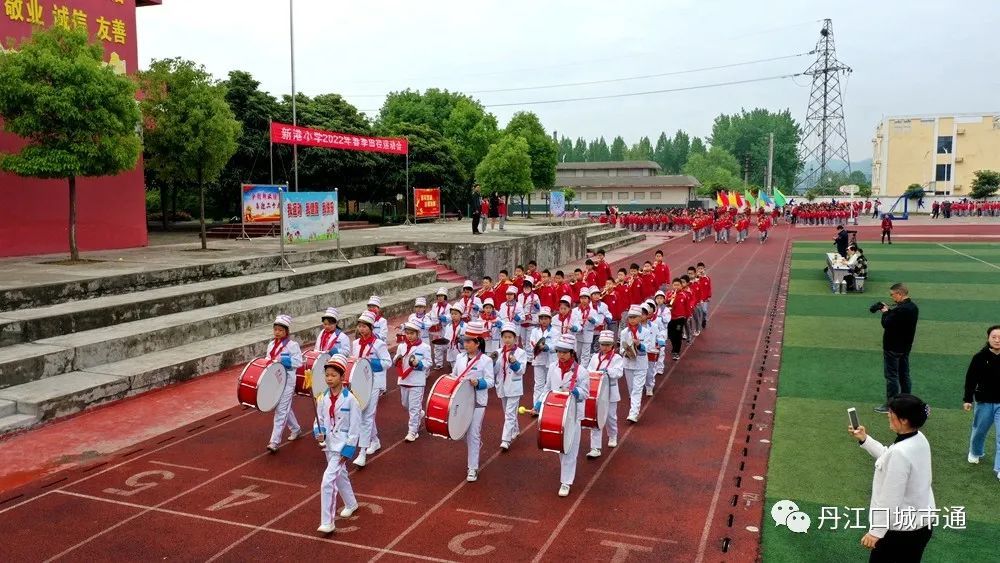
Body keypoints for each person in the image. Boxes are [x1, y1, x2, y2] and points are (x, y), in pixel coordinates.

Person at [848, 394, 935, 562]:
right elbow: (889, 457)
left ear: (903, 420)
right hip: (921, 524)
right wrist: (865, 440)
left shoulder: (900, 453)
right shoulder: (919, 439)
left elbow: (890, 497)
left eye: (891, 412)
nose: (888, 414)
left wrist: (876, 532)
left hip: (900, 533)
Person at [314, 354, 361, 534]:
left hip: (341, 446)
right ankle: (351, 503)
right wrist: (319, 433)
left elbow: (355, 428)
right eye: (327, 375)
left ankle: (328, 521)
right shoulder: (321, 398)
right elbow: (319, 421)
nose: (329, 379)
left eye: (333, 375)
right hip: (328, 444)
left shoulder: (351, 399)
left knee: (328, 481)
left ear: (342, 377)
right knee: (340, 476)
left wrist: (348, 449)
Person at [545, 333, 589, 497]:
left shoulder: (582, 372)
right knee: (560, 447)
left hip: (573, 414)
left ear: (572, 353)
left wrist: (573, 391)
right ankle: (566, 475)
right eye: (558, 351)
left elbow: (585, 393)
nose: (560, 355)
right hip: (555, 413)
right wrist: (539, 403)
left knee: (570, 448)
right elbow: (547, 387)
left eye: (564, 352)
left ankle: (566, 482)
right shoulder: (552, 367)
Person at [451, 321, 495, 482]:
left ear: (477, 343)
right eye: (465, 340)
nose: (465, 343)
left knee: (473, 433)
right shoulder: (460, 357)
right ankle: (474, 444)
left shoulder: (485, 361)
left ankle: (472, 468)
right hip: (460, 400)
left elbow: (491, 381)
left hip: (478, 402)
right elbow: (454, 375)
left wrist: (479, 383)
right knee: (460, 432)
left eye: (469, 341)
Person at [351, 311, 392, 467]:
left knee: (367, 416)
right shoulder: (355, 344)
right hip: (359, 383)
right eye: (359, 326)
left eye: (364, 326)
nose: (361, 329)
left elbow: (388, 363)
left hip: (374, 381)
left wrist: (370, 362)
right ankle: (375, 441)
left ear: (371, 327)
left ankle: (362, 452)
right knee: (362, 413)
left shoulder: (378, 344)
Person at [963, 325, 1000, 479]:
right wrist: (967, 399)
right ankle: (975, 451)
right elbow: (971, 378)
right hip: (984, 401)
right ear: (988, 338)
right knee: (979, 431)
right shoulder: (979, 357)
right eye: (994, 337)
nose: (997, 340)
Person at [876, 284, 919, 414]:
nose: (892, 297)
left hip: (893, 347)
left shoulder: (902, 310)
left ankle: (891, 405)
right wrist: (890, 311)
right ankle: (907, 401)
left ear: (899, 293)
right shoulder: (912, 307)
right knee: (904, 374)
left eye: (893, 294)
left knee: (892, 376)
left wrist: (885, 313)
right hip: (905, 347)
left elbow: (887, 323)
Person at [266, 314, 303, 453]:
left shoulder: (292, 345)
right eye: (275, 329)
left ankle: (274, 442)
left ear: (286, 331)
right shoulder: (270, 345)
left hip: (288, 380)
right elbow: (268, 360)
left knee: (281, 410)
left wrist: (284, 361)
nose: (277, 332)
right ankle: (296, 429)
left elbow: (299, 362)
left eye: (280, 330)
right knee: (283, 407)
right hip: (275, 380)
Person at [586, 330, 624, 459]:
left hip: (610, 391)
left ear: (612, 345)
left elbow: (619, 373)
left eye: (608, 344)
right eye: (603, 344)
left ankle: (612, 435)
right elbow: (588, 371)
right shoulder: (595, 357)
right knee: (595, 417)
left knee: (610, 417)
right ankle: (595, 447)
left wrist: (607, 371)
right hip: (596, 392)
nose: (605, 347)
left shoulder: (617, 358)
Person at [395, 321, 431, 442]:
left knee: (413, 408)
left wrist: (419, 364)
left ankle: (412, 431)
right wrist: (397, 359)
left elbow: (429, 362)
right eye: (407, 333)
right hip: (404, 379)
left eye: (412, 333)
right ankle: (420, 413)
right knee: (405, 404)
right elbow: (396, 359)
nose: (409, 336)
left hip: (417, 381)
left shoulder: (425, 347)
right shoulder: (401, 346)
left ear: (418, 333)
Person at [494, 326, 527, 451]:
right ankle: (516, 429)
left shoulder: (520, 353)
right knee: (507, 412)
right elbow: (495, 371)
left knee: (509, 414)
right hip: (502, 386)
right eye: (505, 337)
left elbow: (521, 371)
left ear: (515, 338)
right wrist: (491, 363)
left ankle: (505, 440)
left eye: (510, 337)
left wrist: (514, 363)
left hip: (514, 386)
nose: (507, 340)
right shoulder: (498, 352)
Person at [619, 305, 652, 423]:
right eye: (630, 317)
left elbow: (648, 347)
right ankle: (634, 408)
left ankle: (633, 413)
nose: (632, 319)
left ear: (640, 318)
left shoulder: (646, 332)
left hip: (641, 364)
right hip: (628, 364)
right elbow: (621, 349)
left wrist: (639, 345)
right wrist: (626, 352)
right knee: (631, 389)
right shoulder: (624, 332)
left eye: (634, 317)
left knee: (637, 389)